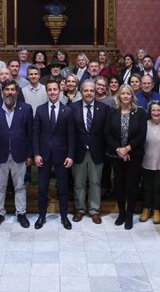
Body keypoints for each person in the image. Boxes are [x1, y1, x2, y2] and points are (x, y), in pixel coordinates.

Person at [0, 80, 33, 228]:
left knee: (20, 186)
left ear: (17, 92)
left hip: (20, 154)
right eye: (7, 90)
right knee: (0, 186)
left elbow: (30, 133)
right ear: (2, 92)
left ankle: (21, 213)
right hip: (0, 154)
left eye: (13, 90)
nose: (10, 92)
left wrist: (30, 154)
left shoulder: (26, 108)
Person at [33, 80, 75, 230]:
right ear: (47, 91)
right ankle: (41, 216)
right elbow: (35, 134)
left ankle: (64, 217)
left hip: (62, 155)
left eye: (55, 89)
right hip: (43, 155)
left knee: (63, 189)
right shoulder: (40, 110)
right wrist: (36, 154)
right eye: (49, 90)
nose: (52, 92)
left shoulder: (68, 111)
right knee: (42, 189)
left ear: (59, 91)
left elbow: (71, 136)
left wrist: (70, 155)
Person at [105, 84, 147, 230]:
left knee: (132, 185)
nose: (125, 96)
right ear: (119, 96)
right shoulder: (112, 112)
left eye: (128, 94)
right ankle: (121, 213)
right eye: (122, 93)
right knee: (119, 185)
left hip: (134, 155)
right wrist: (119, 150)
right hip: (116, 155)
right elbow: (107, 133)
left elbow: (142, 134)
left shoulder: (140, 113)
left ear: (132, 96)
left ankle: (129, 214)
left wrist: (127, 149)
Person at [70, 80, 108, 224]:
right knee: (78, 183)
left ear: (95, 92)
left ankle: (94, 210)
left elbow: (106, 132)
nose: (89, 93)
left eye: (91, 91)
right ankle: (80, 209)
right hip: (78, 152)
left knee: (95, 182)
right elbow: (70, 132)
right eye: (86, 90)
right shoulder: (73, 108)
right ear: (81, 92)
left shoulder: (103, 108)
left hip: (97, 152)